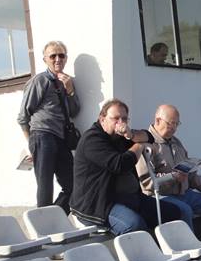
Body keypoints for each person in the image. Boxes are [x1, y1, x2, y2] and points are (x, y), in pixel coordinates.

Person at [70, 99, 182, 235]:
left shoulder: (120, 136)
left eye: (124, 119)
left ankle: (168, 251)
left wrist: (132, 135)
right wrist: (139, 146)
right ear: (102, 119)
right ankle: (145, 255)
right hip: (98, 204)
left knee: (173, 213)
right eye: (115, 118)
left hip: (129, 197)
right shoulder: (92, 140)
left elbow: (149, 136)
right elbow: (120, 164)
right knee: (135, 226)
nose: (120, 123)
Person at [137, 104, 201, 227]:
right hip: (160, 196)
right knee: (184, 211)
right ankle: (192, 245)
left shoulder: (176, 142)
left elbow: (191, 173)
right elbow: (147, 182)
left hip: (183, 193)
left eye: (177, 124)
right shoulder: (146, 145)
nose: (174, 128)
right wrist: (173, 177)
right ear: (158, 120)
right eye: (171, 123)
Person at [17, 41, 80, 211]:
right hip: (42, 135)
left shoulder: (66, 81)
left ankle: (52, 220)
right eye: (53, 56)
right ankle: (44, 228)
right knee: (45, 187)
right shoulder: (40, 80)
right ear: (45, 59)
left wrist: (70, 90)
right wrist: (30, 145)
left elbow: (74, 111)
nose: (57, 59)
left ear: (66, 58)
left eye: (61, 55)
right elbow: (23, 116)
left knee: (74, 186)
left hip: (61, 138)